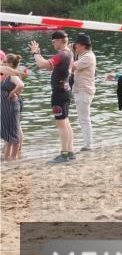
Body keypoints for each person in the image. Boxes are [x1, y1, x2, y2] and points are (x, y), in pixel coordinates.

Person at [29, 31, 76, 163]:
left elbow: (42, 65)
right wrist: (40, 56)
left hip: (59, 93)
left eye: (53, 41)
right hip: (65, 90)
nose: (53, 43)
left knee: (61, 124)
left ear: (60, 40)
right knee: (66, 122)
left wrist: (35, 53)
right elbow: (50, 67)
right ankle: (70, 152)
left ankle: (64, 154)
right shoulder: (68, 53)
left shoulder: (62, 54)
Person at [70, 33, 97, 151]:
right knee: (83, 119)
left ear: (82, 45)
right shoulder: (84, 55)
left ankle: (88, 145)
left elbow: (71, 67)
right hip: (81, 90)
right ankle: (87, 143)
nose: (75, 47)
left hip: (84, 91)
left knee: (84, 119)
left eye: (76, 45)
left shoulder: (87, 57)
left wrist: (70, 53)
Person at [1, 54, 25, 161]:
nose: (3, 62)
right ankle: (7, 157)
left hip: (10, 105)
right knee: (8, 132)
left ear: (10, 63)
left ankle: (13, 157)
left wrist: (13, 93)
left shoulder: (12, 75)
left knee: (13, 131)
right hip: (7, 105)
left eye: (4, 61)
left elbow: (21, 85)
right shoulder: (8, 73)